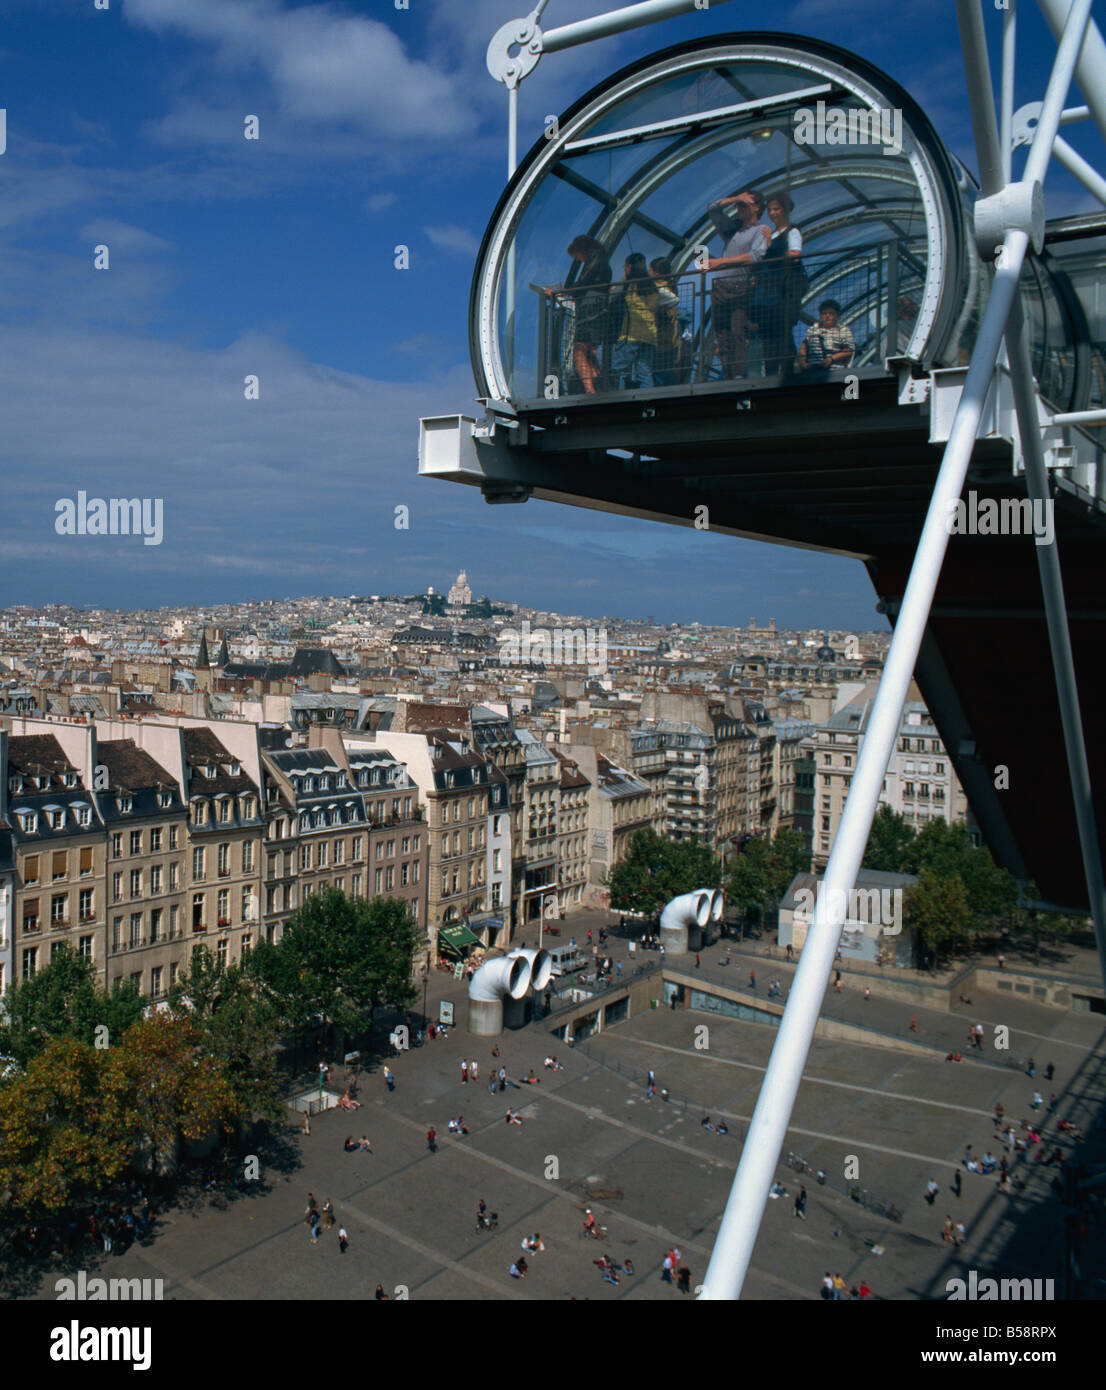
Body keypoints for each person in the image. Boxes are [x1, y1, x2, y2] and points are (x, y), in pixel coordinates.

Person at [704, 188, 768, 379]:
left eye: (743, 204)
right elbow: (712, 209)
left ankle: (738, 374)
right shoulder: (732, 230)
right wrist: (735, 198)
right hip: (721, 288)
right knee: (722, 334)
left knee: (737, 332)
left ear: (756, 208)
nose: (739, 208)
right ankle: (727, 373)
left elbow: (756, 256)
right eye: (738, 204)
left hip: (740, 287)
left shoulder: (761, 230)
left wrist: (720, 262)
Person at [749, 190, 804, 376]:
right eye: (770, 210)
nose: (772, 213)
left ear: (785, 210)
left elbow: (795, 255)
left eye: (776, 209)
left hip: (781, 293)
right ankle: (771, 372)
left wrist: (774, 252)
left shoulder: (792, 232)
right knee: (768, 336)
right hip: (766, 293)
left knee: (782, 333)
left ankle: (788, 372)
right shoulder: (770, 235)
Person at [560, 235, 612, 395]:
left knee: (579, 351)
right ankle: (598, 383)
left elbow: (584, 282)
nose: (579, 259)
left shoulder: (595, 258)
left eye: (577, 255)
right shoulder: (602, 260)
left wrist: (563, 291)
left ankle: (590, 389)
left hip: (590, 309)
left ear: (582, 250)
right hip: (597, 308)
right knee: (589, 352)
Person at [609, 253, 659, 391]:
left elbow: (611, 297)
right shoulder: (652, 285)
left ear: (629, 267)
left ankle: (617, 397)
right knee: (644, 369)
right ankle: (648, 398)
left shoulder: (628, 283)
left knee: (617, 368)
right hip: (650, 335)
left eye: (624, 266)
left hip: (631, 333)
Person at [798, 299, 855, 379]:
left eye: (831, 313)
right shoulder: (813, 329)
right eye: (824, 313)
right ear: (820, 315)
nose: (827, 316)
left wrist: (831, 359)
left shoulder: (843, 330)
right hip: (813, 373)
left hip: (835, 374)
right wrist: (803, 362)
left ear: (837, 315)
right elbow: (803, 346)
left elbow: (848, 351)